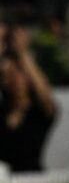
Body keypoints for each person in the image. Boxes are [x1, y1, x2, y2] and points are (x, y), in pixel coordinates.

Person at [0, 25, 57, 171]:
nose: (14, 79)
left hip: (31, 177)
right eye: (8, 76)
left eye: (18, 74)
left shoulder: (39, 111)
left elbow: (45, 94)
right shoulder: (3, 110)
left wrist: (23, 54)